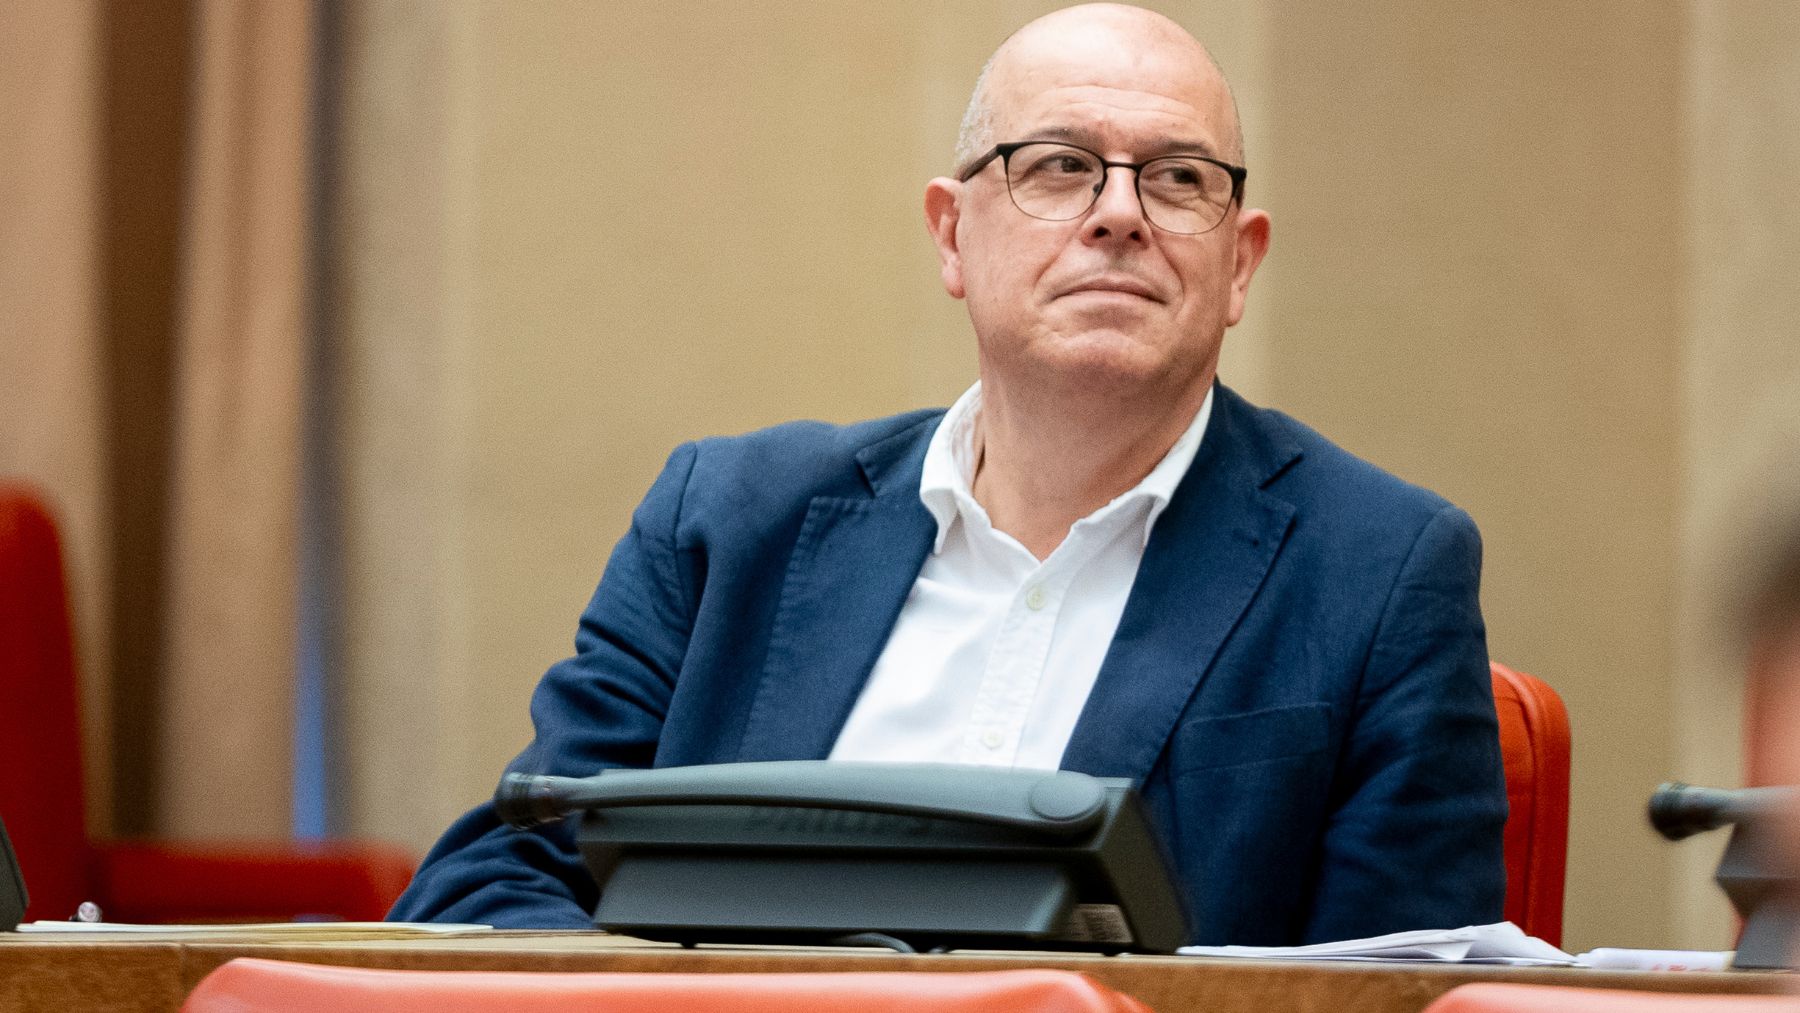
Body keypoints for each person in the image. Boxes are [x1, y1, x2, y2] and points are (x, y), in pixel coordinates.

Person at [390, 3, 1507, 945]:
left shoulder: (1380, 570)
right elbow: (490, 885)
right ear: (952, 234)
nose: (1119, 213)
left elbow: (1397, 985)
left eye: (1176, 178)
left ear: (1239, 262)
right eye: (1061, 166)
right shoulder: (724, 523)